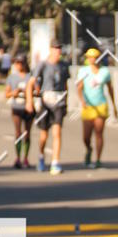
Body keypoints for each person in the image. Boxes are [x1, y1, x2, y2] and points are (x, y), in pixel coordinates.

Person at [26, 38, 69, 175]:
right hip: (45, 101)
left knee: (57, 132)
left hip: (59, 102)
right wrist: (29, 101)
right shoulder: (43, 65)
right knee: (44, 134)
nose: (58, 51)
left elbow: (65, 84)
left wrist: (66, 100)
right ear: (50, 49)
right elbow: (30, 84)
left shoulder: (63, 66)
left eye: (59, 48)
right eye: (55, 48)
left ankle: (55, 162)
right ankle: (41, 156)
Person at [76, 47, 118, 168]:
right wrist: (82, 101)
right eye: (89, 57)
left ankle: (98, 159)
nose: (92, 59)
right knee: (86, 137)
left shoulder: (104, 71)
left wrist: (114, 106)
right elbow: (79, 88)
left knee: (99, 133)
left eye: (94, 57)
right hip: (88, 107)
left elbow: (110, 89)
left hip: (101, 105)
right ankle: (89, 149)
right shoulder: (83, 71)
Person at [5, 54, 34, 168]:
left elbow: (37, 90)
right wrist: (14, 93)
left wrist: (30, 93)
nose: (18, 65)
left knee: (27, 133)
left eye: (20, 62)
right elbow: (7, 94)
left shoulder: (30, 76)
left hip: (28, 107)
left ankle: (26, 158)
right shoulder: (12, 77)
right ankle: (18, 157)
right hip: (17, 107)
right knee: (18, 133)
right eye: (16, 63)